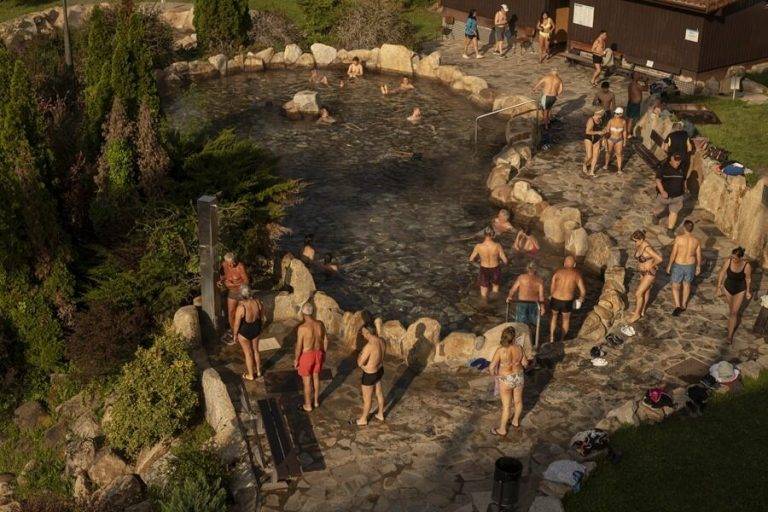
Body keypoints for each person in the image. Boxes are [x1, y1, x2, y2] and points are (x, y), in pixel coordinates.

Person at [489, 326, 527, 436]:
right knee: (518, 401)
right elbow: (525, 363)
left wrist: (495, 375)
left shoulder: (501, 350)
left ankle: (502, 429)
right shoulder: (519, 347)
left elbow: (492, 366)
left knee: (506, 406)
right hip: (518, 376)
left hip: (506, 379)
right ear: (514, 337)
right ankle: (515, 421)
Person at [294, 303, 328, 411]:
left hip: (307, 355)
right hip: (318, 353)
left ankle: (308, 405)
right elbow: (326, 340)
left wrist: (296, 359)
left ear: (303, 314)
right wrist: (324, 353)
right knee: (316, 377)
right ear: (312, 312)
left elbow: (299, 346)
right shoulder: (320, 324)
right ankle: (316, 401)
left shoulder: (302, 328)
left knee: (307, 382)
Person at [625, 230, 663, 326]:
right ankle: (641, 310)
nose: (635, 242)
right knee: (646, 291)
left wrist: (651, 266)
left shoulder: (647, 247)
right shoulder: (639, 245)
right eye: (634, 241)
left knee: (638, 294)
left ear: (641, 239)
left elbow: (659, 258)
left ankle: (637, 314)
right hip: (642, 272)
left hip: (649, 273)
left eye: (636, 241)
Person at [716, 247, 753, 344]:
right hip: (728, 287)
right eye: (732, 257)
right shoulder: (728, 261)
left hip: (740, 289)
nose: (733, 259)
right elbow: (722, 272)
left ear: (740, 258)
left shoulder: (746, 266)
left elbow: (748, 279)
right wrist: (719, 287)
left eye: (735, 258)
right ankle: (731, 323)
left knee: (734, 312)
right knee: (731, 309)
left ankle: (729, 336)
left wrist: (748, 291)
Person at [666, 220, 701, 316]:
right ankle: (684, 304)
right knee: (687, 285)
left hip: (679, 264)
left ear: (684, 228)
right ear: (692, 229)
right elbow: (698, 255)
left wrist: (669, 265)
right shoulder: (696, 240)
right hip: (690, 265)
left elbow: (674, 253)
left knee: (675, 285)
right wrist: (698, 266)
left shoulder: (679, 238)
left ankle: (677, 305)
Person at [356, 315, 386, 426]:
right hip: (379, 370)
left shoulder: (369, 346)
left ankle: (363, 419)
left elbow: (359, 363)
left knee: (367, 399)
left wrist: (360, 355)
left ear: (368, 333)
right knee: (379, 393)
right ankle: (380, 414)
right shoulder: (381, 341)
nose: (362, 335)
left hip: (370, 374)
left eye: (363, 333)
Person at [549, 256, 586, 343]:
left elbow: (552, 287)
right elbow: (583, 291)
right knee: (565, 319)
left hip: (555, 298)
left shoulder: (557, 273)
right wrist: (581, 298)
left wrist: (551, 295)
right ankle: (562, 339)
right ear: (574, 265)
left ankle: (551, 338)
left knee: (554, 317)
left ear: (564, 263)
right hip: (567, 301)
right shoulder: (576, 275)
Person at [232, 285, 264, 380]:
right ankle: (258, 371)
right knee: (256, 351)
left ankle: (250, 375)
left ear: (241, 295)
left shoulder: (241, 307)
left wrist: (234, 335)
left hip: (245, 332)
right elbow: (262, 316)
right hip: (256, 328)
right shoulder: (257, 302)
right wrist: (260, 327)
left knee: (248, 353)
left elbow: (237, 324)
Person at [652, 153, 688, 235]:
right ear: (671, 159)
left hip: (677, 197)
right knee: (659, 209)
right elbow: (658, 180)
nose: (677, 163)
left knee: (674, 212)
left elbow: (683, 180)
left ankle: (670, 229)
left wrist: (684, 189)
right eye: (676, 161)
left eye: (679, 161)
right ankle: (655, 215)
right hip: (664, 197)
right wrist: (662, 191)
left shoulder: (682, 168)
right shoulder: (663, 168)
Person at [469, 227, 509, 299]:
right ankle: (494, 305)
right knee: (495, 287)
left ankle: (484, 305)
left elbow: (471, 259)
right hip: (495, 268)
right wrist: (502, 264)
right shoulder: (497, 246)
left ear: (484, 235)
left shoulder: (478, 246)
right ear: (493, 235)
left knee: (483, 291)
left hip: (484, 268)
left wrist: (478, 264)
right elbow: (505, 260)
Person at [218, 252, 249, 340]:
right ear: (226, 262)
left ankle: (243, 332)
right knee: (231, 312)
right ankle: (233, 332)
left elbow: (246, 281)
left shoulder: (240, 266)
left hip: (241, 291)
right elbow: (223, 276)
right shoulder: (224, 265)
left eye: (233, 262)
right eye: (229, 264)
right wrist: (221, 281)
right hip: (231, 292)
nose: (232, 265)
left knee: (242, 313)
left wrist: (235, 285)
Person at [507, 261, 546, 330]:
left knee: (519, 325)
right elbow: (541, 296)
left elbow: (513, 289)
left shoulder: (521, 277)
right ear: (536, 270)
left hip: (522, 303)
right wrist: (542, 307)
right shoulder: (539, 280)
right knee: (533, 325)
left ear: (527, 269)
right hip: (534, 304)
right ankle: (531, 338)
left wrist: (510, 297)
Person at [604, 107, 628, 174]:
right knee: (608, 152)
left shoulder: (623, 122)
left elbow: (624, 131)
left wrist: (625, 141)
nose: (616, 115)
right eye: (615, 113)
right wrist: (605, 140)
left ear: (621, 114)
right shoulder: (610, 121)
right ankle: (606, 165)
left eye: (618, 114)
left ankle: (619, 169)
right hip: (610, 139)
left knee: (619, 154)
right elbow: (607, 131)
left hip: (619, 139)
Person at [583, 109, 606, 176]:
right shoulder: (591, 120)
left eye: (602, 114)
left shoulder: (601, 120)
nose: (601, 115)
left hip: (597, 139)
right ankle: (585, 164)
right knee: (589, 156)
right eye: (600, 114)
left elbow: (602, 129)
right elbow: (587, 131)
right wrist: (598, 132)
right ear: (596, 113)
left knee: (595, 156)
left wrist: (604, 132)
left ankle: (592, 171)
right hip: (589, 138)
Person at [626, 72, 647, 138]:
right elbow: (646, 89)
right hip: (634, 104)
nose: (639, 75)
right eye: (637, 75)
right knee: (631, 119)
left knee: (630, 118)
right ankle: (628, 133)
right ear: (634, 76)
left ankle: (628, 131)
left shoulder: (631, 84)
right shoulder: (636, 84)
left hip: (631, 103)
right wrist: (646, 81)